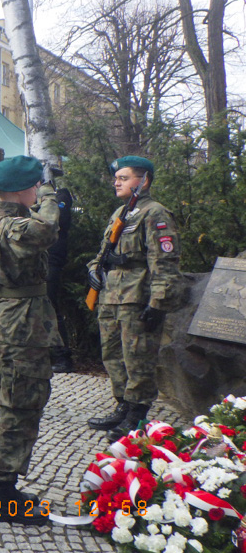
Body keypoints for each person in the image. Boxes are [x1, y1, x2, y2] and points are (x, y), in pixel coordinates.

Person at [0, 155, 61, 526]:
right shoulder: (14, 226)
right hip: (20, 325)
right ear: (25, 189)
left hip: (4, 319)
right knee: (19, 405)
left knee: (4, 400)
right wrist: (50, 195)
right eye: (35, 185)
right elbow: (46, 230)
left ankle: (0, 484)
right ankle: (2, 496)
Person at [86, 156, 181, 442]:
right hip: (111, 296)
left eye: (124, 178)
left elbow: (165, 262)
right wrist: (93, 270)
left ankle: (136, 414)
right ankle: (122, 406)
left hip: (136, 297)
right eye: (116, 177)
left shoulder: (155, 213)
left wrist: (157, 303)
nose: (117, 182)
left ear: (144, 180)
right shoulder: (120, 213)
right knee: (113, 356)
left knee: (137, 358)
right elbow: (101, 254)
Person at [48, 183, 75, 373]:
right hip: (38, 260)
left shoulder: (60, 195)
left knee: (50, 308)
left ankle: (62, 355)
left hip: (51, 259)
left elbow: (60, 219)